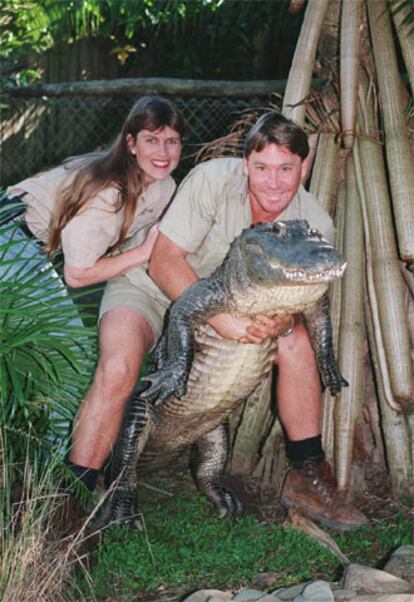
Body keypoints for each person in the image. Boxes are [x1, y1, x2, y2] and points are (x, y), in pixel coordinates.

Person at [144, 111, 368, 531]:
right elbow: (163, 262)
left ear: (304, 168)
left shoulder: (315, 223)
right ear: (246, 164)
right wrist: (224, 320)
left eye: (287, 169)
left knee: (296, 341)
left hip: (246, 309)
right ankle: (85, 478)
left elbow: (306, 297)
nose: (274, 182)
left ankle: (306, 472)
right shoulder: (212, 180)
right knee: (119, 360)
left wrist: (281, 320)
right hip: (163, 294)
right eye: (262, 168)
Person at [5, 95, 185, 495]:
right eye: (152, 140)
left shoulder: (161, 185)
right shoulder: (109, 190)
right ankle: (60, 482)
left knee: (49, 353)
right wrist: (142, 252)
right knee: (71, 355)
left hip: (27, 246)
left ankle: (50, 468)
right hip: (9, 241)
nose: (162, 151)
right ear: (131, 142)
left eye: (171, 141)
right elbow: (79, 274)